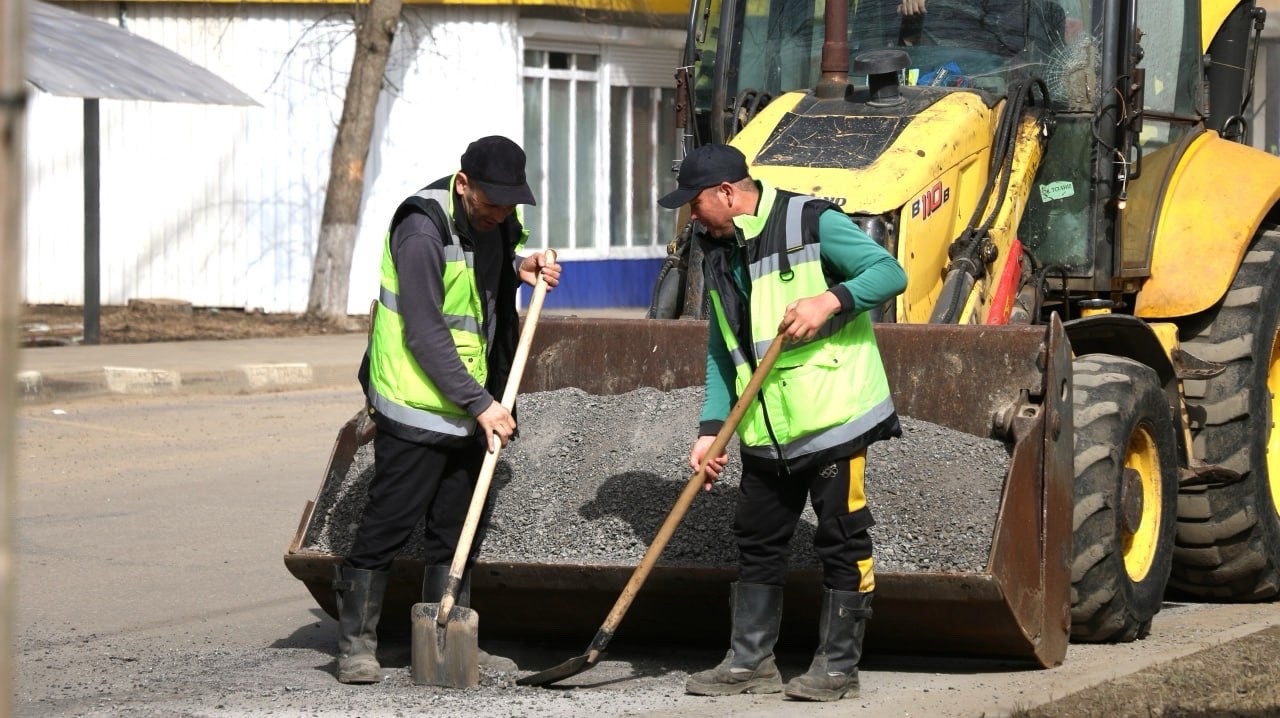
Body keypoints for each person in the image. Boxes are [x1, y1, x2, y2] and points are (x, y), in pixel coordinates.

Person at [657, 143, 907, 702]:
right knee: (757, 539)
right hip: (767, 428)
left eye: (695, 204)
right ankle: (751, 662)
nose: (690, 217)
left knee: (842, 540)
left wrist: (831, 300)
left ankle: (838, 668)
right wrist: (710, 426)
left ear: (727, 192)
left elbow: (889, 273)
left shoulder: (812, 222)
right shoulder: (715, 247)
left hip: (833, 418)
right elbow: (724, 349)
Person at [333, 135, 561, 685]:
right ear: (464, 185)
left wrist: (519, 267)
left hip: (468, 403)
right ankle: (355, 645)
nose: (500, 214)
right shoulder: (420, 229)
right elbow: (425, 329)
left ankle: (444, 631)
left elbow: (482, 278)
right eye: (491, 204)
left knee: (457, 526)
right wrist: (482, 404)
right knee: (389, 520)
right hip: (417, 403)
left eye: (510, 206)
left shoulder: (494, 220)